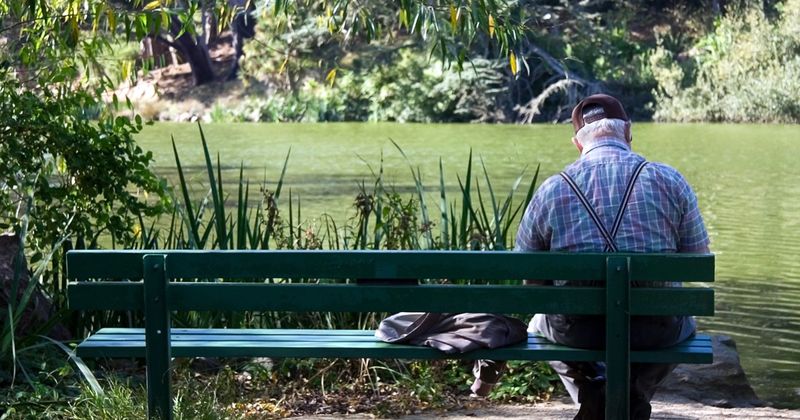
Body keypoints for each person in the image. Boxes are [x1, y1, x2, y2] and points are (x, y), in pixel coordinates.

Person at [515, 94, 710, 420]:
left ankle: (595, 388)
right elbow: (697, 258)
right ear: (628, 132)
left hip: (579, 331)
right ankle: (634, 393)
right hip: (654, 329)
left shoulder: (552, 189)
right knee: (686, 318)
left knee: (537, 324)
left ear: (577, 144)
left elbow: (529, 276)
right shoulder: (670, 180)